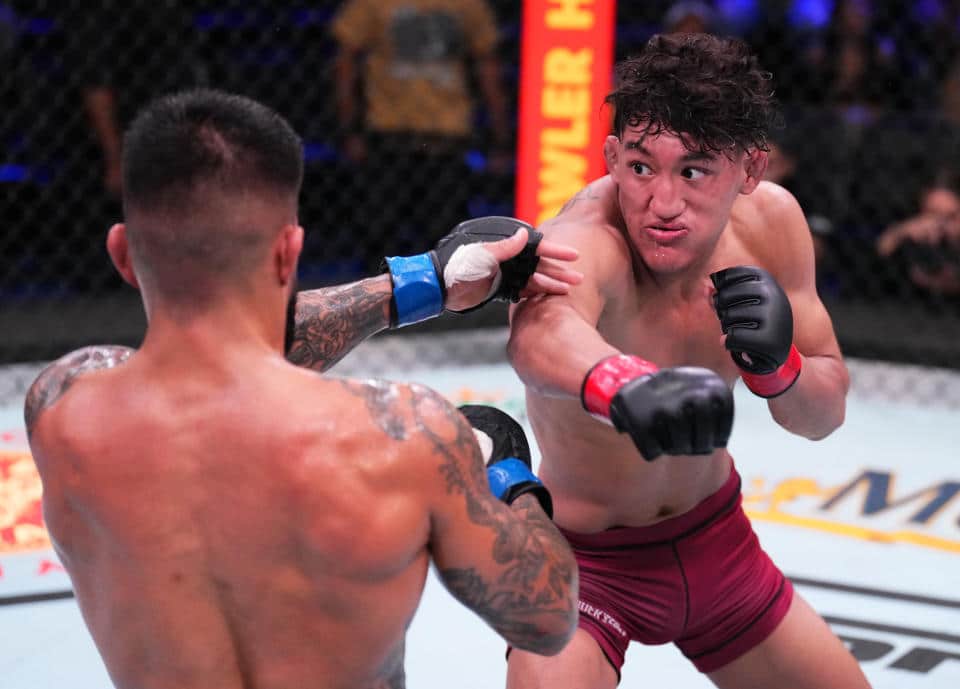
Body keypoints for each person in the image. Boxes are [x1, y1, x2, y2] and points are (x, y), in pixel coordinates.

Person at [23, 89, 581, 689]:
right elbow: (545, 616)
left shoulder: (63, 409)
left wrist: (429, 281)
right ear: (289, 252)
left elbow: (209, 360)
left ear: (121, 254)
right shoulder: (406, 437)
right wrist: (505, 475)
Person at [503, 33, 870, 688]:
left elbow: (824, 414)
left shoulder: (772, 225)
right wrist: (621, 383)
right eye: (641, 167)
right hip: (584, 565)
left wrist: (781, 368)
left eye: (694, 172)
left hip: (717, 544)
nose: (663, 204)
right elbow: (538, 335)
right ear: (612, 157)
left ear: (750, 171)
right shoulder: (586, 237)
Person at [331, 0, 512, 265]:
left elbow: (488, 68)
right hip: (390, 134)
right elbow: (346, 61)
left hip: (445, 137)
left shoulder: (468, 5)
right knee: (380, 240)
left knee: (445, 243)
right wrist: (349, 128)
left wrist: (500, 137)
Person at [876, 169, 960, 297]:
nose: (939, 226)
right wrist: (899, 233)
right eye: (931, 216)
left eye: (950, 217)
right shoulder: (911, 244)